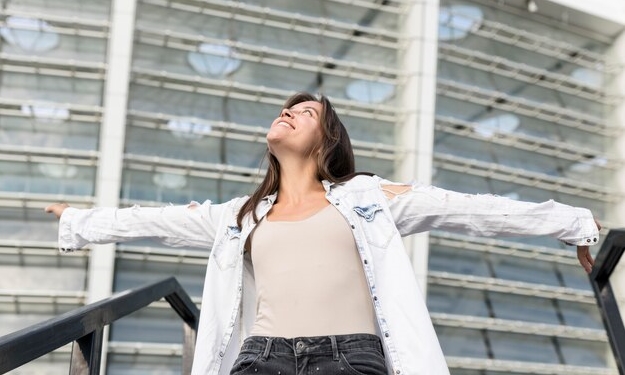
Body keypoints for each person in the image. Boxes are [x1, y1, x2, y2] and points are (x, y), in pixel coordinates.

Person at [46, 92, 601, 375]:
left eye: (304, 112)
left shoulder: (366, 198)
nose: (288, 113)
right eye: (287, 108)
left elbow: (472, 210)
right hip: (260, 359)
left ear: (325, 141)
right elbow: (155, 221)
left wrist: (574, 222)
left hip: (351, 359)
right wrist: (79, 221)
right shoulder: (241, 215)